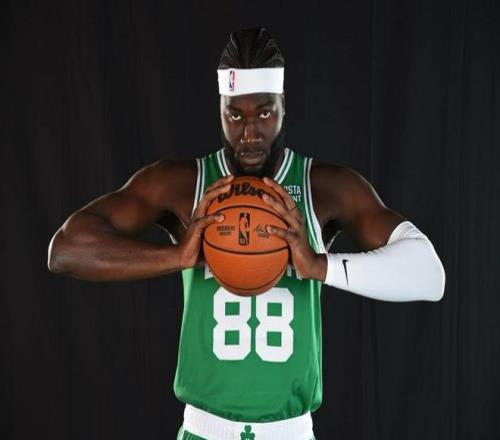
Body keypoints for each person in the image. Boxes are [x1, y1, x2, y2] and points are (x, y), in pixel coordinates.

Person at [47, 27, 445, 440]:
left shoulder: (325, 188)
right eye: (235, 115)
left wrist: (318, 265)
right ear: (220, 109)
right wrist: (177, 256)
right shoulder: (183, 184)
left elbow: (430, 274)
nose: (250, 134)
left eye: (265, 113)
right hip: (204, 431)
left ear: (284, 105)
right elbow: (66, 250)